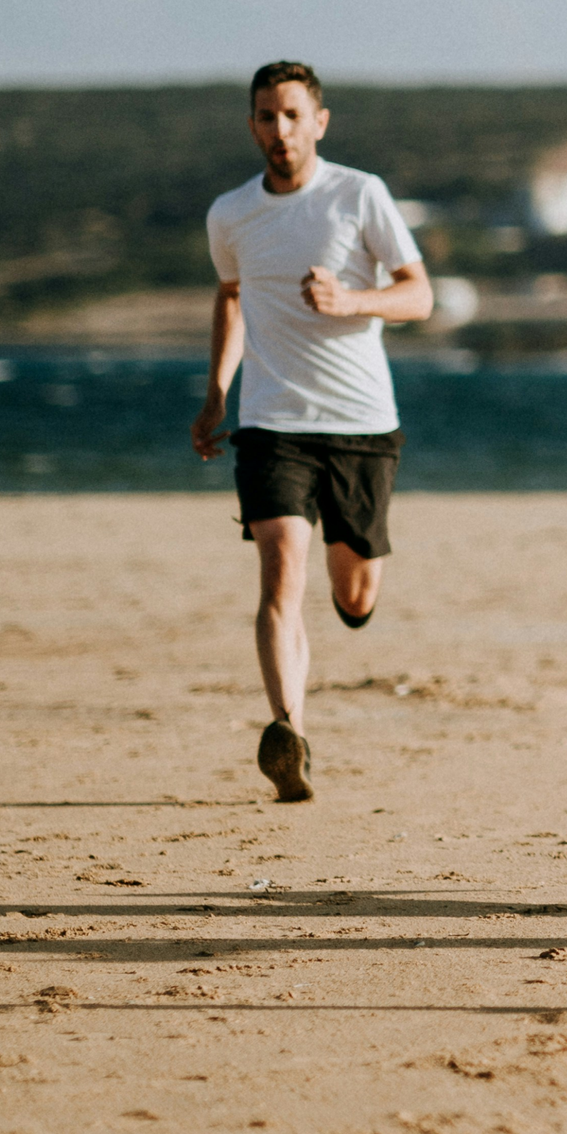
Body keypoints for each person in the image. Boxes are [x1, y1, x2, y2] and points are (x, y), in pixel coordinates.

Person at [192, 61, 434, 804]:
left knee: (353, 591)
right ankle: (287, 730)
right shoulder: (231, 215)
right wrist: (216, 395)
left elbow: (419, 296)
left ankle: (352, 601)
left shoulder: (359, 195)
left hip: (361, 423)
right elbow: (230, 299)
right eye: (266, 116)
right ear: (252, 125)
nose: (280, 129)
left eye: (293, 115)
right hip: (271, 422)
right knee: (278, 575)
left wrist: (348, 299)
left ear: (318, 122)